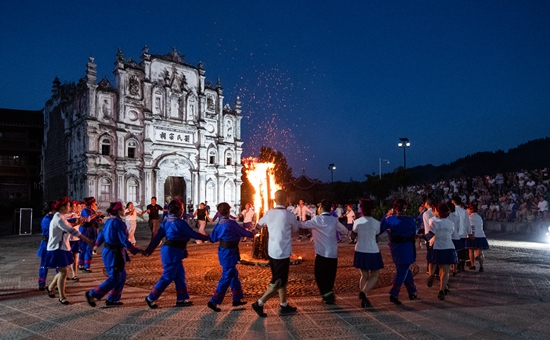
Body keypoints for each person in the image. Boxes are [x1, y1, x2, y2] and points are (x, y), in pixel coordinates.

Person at [144, 199, 210, 309]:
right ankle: (151, 297)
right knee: (168, 276)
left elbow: (158, 237)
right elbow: (193, 234)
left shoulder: (166, 221)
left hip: (172, 251)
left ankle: (181, 298)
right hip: (172, 252)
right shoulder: (180, 223)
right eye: (182, 208)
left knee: (179, 275)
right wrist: (209, 237)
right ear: (179, 210)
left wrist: (149, 249)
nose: (183, 210)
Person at [85, 202, 144, 307]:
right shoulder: (118, 223)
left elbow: (102, 234)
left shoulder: (110, 221)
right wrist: (135, 250)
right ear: (118, 211)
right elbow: (124, 240)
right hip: (114, 254)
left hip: (111, 252)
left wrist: (96, 245)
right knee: (115, 277)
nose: (123, 209)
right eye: (121, 208)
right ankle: (92, 293)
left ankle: (112, 299)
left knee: (122, 276)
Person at [252, 190, 300, 317]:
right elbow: (296, 228)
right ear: (285, 200)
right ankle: (259, 303)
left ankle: (284, 305)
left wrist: (252, 232)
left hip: (272, 251)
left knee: (281, 280)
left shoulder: (269, 213)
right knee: (278, 281)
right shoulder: (289, 215)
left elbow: (258, 226)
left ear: (274, 200)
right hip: (283, 252)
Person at [44, 197, 93, 305]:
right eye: (68, 206)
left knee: (63, 271)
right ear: (62, 207)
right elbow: (70, 230)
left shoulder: (60, 216)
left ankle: (51, 287)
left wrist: (77, 223)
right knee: (64, 272)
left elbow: (68, 226)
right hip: (57, 247)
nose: (70, 207)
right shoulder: (58, 218)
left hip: (63, 247)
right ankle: (62, 297)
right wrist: (86, 239)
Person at [207, 202, 254, 312]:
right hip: (229, 253)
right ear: (228, 211)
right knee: (227, 276)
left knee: (233, 274)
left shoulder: (219, 225)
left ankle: (236, 298)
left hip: (224, 251)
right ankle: (214, 301)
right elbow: (244, 232)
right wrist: (254, 233)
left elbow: (212, 239)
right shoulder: (231, 224)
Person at [300, 199, 349, 304]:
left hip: (321, 253)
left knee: (319, 274)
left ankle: (327, 294)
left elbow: (302, 225)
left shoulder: (317, 220)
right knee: (330, 275)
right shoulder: (334, 220)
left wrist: (290, 222)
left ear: (321, 208)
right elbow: (345, 230)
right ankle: (328, 294)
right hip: (333, 253)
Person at [380, 199, 418, 305]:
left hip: (395, 247)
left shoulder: (390, 219)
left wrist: (385, 216)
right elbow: (413, 233)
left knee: (403, 268)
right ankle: (394, 293)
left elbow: (380, 229)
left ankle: (412, 291)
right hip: (406, 246)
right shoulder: (410, 220)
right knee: (403, 269)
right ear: (405, 207)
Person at [352, 199, 383, 308]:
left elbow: (353, 235)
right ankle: (363, 293)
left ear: (361, 209)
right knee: (375, 274)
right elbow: (377, 236)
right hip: (372, 250)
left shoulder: (357, 222)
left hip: (360, 249)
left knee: (364, 275)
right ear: (373, 209)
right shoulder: (376, 223)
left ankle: (363, 297)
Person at [428, 204, 458, 301]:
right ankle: (442, 290)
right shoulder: (451, 223)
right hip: (449, 246)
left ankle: (431, 275)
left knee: (437, 265)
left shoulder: (435, 223)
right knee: (445, 271)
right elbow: (452, 234)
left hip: (438, 247)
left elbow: (430, 235)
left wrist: (419, 236)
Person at [78, 197, 102, 273]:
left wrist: (98, 218)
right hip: (85, 230)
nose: (95, 204)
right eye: (94, 203)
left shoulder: (91, 211)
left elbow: (96, 220)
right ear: (91, 204)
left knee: (88, 248)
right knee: (84, 248)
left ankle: (85, 265)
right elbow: (88, 219)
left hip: (91, 230)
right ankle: (82, 265)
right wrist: (96, 215)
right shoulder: (85, 210)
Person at [465, 203, 489, 272]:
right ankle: (481, 266)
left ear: (471, 209)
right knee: (479, 252)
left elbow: (472, 226)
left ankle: (473, 265)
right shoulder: (479, 217)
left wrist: (471, 234)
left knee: (471, 251)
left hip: (473, 235)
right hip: (481, 235)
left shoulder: (469, 217)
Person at [37, 201, 55, 290]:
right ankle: (41, 283)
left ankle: (56, 283)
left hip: (53, 243)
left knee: (59, 264)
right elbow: (49, 233)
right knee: (44, 264)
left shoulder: (53, 217)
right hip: (47, 243)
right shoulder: (47, 219)